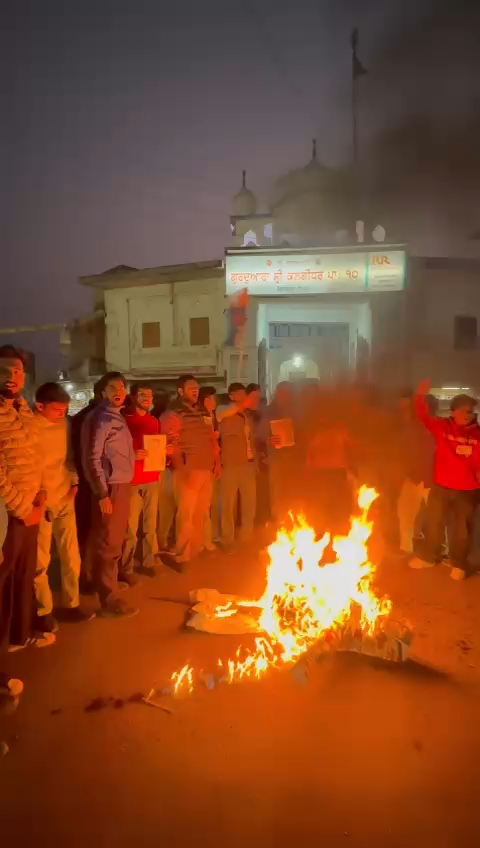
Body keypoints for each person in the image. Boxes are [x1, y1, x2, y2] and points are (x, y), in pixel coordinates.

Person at [0, 345, 55, 651]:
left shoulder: (26, 412)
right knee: (3, 579)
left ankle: (18, 635)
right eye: (4, 370)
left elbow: (39, 457)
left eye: (18, 371)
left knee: (23, 576)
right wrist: (23, 509)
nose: (12, 376)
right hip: (8, 516)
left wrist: (42, 495)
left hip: (32, 509)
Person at [33, 382, 93, 631]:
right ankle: (42, 611)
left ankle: (71, 603)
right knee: (41, 561)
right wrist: (37, 496)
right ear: (40, 406)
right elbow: (27, 467)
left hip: (65, 496)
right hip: (40, 501)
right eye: (57, 410)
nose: (62, 415)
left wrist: (75, 482)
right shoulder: (28, 427)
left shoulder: (65, 424)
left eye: (64, 410)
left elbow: (68, 458)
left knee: (71, 555)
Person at [409, 381, 480, 580]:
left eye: (471, 411)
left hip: (468, 490)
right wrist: (420, 397)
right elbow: (422, 416)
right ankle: (429, 557)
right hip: (442, 486)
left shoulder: (478, 434)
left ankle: (459, 564)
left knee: (461, 530)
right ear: (453, 411)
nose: (467, 415)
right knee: (434, 523)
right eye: (463, 410)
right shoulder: (442, 427)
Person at [82, 371, 138, 616]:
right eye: (113, 388)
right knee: (110, 543)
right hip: (111, 488)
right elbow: (92, 458)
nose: (119, 392)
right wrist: (103, 493)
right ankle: (110, 599)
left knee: (109, 538)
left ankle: (102, 584)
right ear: (102, 392)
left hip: (121, 485)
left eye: (122, 387)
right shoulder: (101, 419)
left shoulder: (116, 416)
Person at [161, 375, 220, 567]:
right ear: (181, 391)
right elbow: (171, 442)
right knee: (186, 515)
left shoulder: (203, 410)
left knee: (201, 513)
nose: (195, 390)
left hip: (206, 469)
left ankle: (196, 550)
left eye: (197, 387)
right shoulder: (174, 412)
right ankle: (182, 556)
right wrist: (180, 467)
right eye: (191, 388)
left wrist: (216, 462)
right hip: (187, 470)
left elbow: (211, 438)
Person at [121, 383, 165, 579]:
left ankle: (148, 561)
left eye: (150, 394)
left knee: (150, 525)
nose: (147, 398)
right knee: (130, 528)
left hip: (152, 478)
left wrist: (166, 451)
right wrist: (132, 455)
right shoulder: (124, 420)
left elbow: (156, 447)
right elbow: (115, 450)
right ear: (132, 397)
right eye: (142, 394)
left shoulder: (153, 421)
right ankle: (126, 568)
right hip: (131, 480)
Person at [393, 389, 435, 560]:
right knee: (405, 512)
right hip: (411, 477)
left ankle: (439, 548)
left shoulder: (436, 427)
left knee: (436, 517)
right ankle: (406, 547)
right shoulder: (407, 428)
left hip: (431, 478)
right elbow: (402, 453)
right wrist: (400, 474)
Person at [71, 378, 103, 589]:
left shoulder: (106, 417)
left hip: (98, 481)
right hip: (87, 482)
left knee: (98, 529)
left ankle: (92, 573)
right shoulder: (87, 419)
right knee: (88, 529)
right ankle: (84, 575)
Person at [217, 382, 257, 548]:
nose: (242, 398)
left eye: (244, 394)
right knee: (228, 503)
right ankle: (228, 539)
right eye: (238, 394)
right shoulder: (222, 409)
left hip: (248, 464)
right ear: (231, 396)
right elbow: (224, 415)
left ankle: (247, 537)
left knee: (249, 502)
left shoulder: (248, 414)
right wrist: (241, 405)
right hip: (230, 463)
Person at [199, 385, 220, 547]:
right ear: (206, 400)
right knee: (201, 507)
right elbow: (210, 441)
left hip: (209, 465)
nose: (216, 402)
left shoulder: (211, 415)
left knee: (206, 505)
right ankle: (202, 541)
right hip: (200, 466)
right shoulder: (201, 416)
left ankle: (205, 540)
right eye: (214, 399)